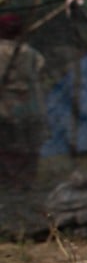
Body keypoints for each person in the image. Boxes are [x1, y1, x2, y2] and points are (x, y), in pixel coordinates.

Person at [0, 13, 47, 190]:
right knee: (30, 145)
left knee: (7, 145)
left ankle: (12, 181)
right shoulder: (30, 52)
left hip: (6, 106)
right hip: (31, 105)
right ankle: (26, 180)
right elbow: (40, 69)